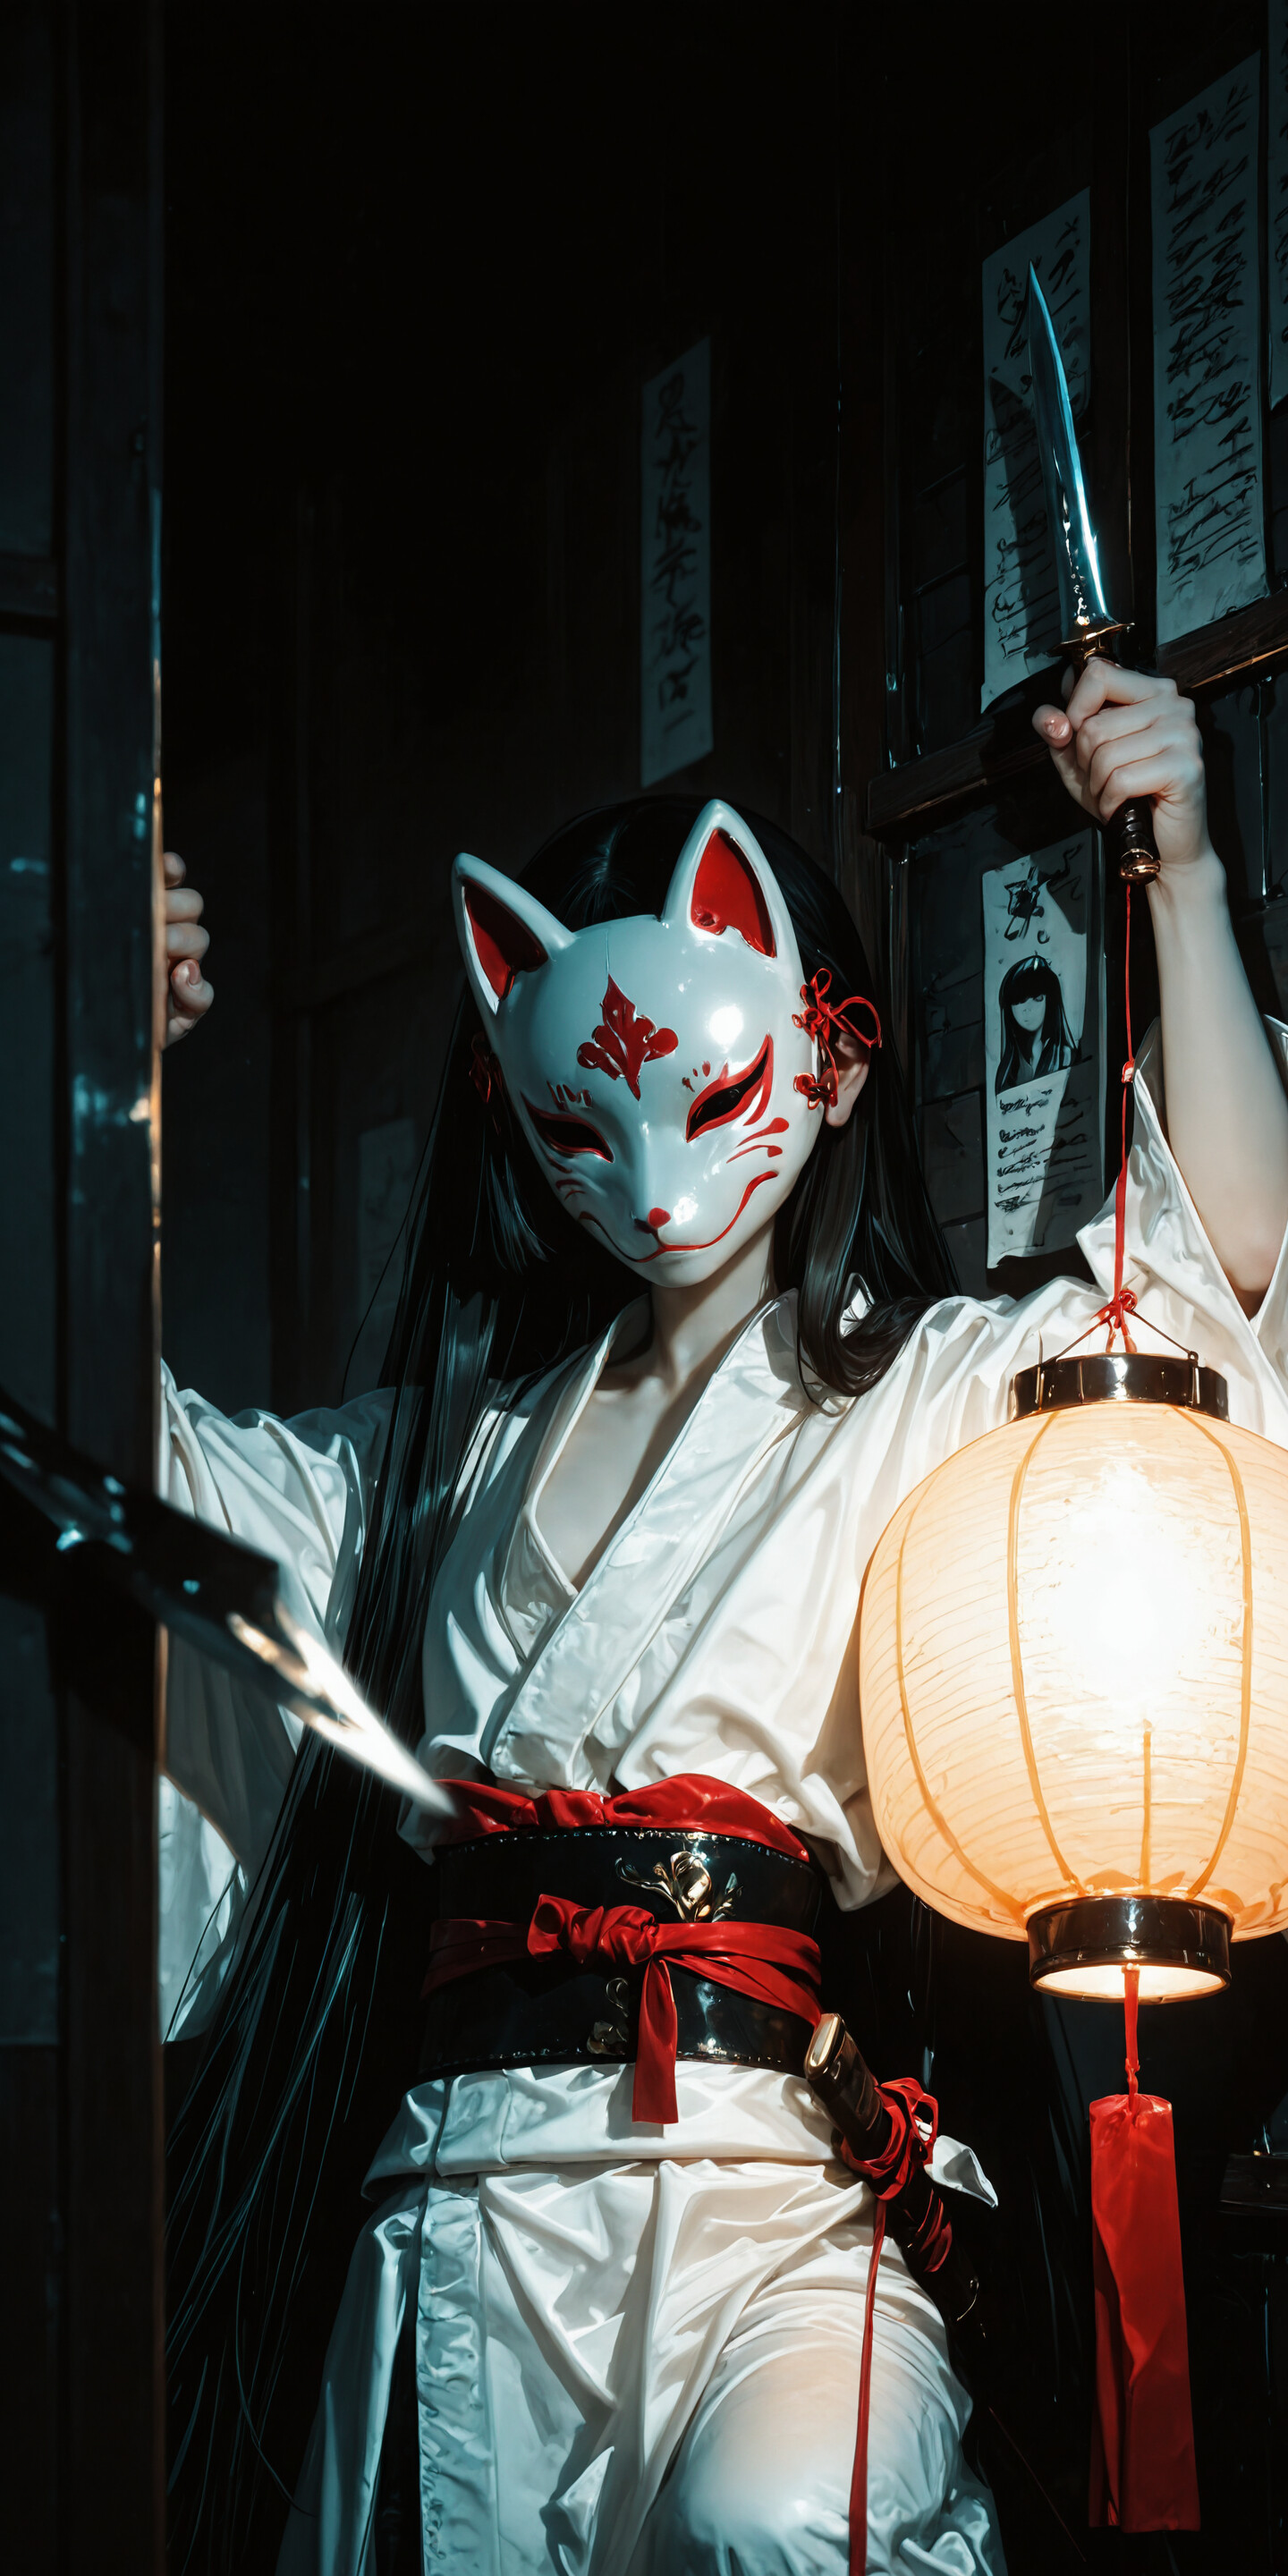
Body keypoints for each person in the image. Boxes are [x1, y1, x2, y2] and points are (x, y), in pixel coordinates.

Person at [158, 664, 1288, 2576]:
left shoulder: (925, 1389)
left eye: (716, 1099)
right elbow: (136, 1481)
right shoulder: (440, 1459)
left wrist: (1176, 868)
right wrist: (100, 1082)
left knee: (772, 2517)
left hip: (770, 2180)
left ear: (830, 1063)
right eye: (578, 1131)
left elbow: (1210, 1284)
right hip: (464, 2184)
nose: (656, 1183)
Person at [993, 952, 1079, 1094]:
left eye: (1037, 998)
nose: (1027, 1008)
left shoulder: (1065, 1056)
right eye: (1019, 1001)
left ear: (1050, 1000)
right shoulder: (1007, 1068)